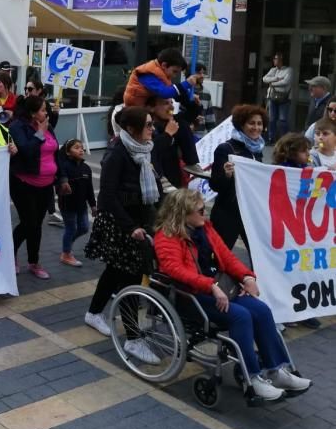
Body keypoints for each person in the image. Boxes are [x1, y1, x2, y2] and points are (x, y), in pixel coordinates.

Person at [154, 189, 311, 400]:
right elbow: (176, 270)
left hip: (221, 288)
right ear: (183, 213)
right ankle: (253, 379)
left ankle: (275, 371)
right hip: (192, 296)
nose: (205, 213)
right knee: (241, 315)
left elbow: (228, 258)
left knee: (262, 310)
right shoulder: (166, 237)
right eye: (200, 210)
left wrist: (247, 277)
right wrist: (210, 285)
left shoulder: (206, 229)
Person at [83, 106, 162, 366]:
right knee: (130, 278)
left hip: (137, 221)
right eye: (148, 125)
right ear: (131, 129)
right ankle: (133, 337)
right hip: (120, 225)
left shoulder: (144, 150)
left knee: (116, 272)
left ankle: (94, 312)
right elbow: (108, 195)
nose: (152, 129)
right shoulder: (116, 154)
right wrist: (130, 227)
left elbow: (155, 184)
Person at [8, 95, 60, 279]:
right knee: (29, 223)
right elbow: (26, 151)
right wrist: (39, 134)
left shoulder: (48, 126)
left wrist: (62, 180)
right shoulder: (17, 127)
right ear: (32, 112)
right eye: (43, 110)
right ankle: (11, 255)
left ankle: (34, 262)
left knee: (36, 225)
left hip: (45, 185)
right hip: (24, 184)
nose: (46, 113)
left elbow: (55, 152)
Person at [209, 104, 267, 252]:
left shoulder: (258, 150)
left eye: (259, 123)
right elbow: (215, 184)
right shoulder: (225, 149)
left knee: (259, 256)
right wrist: (226, 175)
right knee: (219, 257)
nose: (256, 127)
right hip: (228, 212)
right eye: (251, 123)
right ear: (241, 125)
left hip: (251, 212)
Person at [57, 139, 96, 268]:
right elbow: (59, 186)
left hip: (81, 205)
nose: (81, 150)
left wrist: (93, 205)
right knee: (71, 228)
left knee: (84, 227)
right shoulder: (64, 167)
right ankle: (66, 254)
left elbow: (89, 189)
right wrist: (62, 187)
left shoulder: (86, 168)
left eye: (82, 147)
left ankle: (67, 245)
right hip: (68, 205)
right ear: (68, 152)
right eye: (76, 147)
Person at [262, 53, 292, 143]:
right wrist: (276, 78)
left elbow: (285, 82)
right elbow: (264, 79)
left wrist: (272, 84)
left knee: (283, 120)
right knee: (271, 119)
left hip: (284, 97)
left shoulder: (288, 70)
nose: (274, 60)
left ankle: (285, 139)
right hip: (272, 97)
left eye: (276, 58)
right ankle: (271, 138)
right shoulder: (273, 70)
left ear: (281, 59)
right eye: (274, 58)